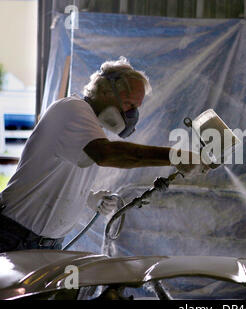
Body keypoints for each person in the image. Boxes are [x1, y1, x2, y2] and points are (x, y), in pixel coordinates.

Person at [0, 57, 206, 252]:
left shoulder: (90, 126)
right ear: (106, 91)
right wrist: (176, 156)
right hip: (14, 235)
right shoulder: (73, 109)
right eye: (129, 104)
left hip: (43, 242)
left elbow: (57, 174)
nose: (131, 114)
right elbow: (107, 155)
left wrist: (89, 198)